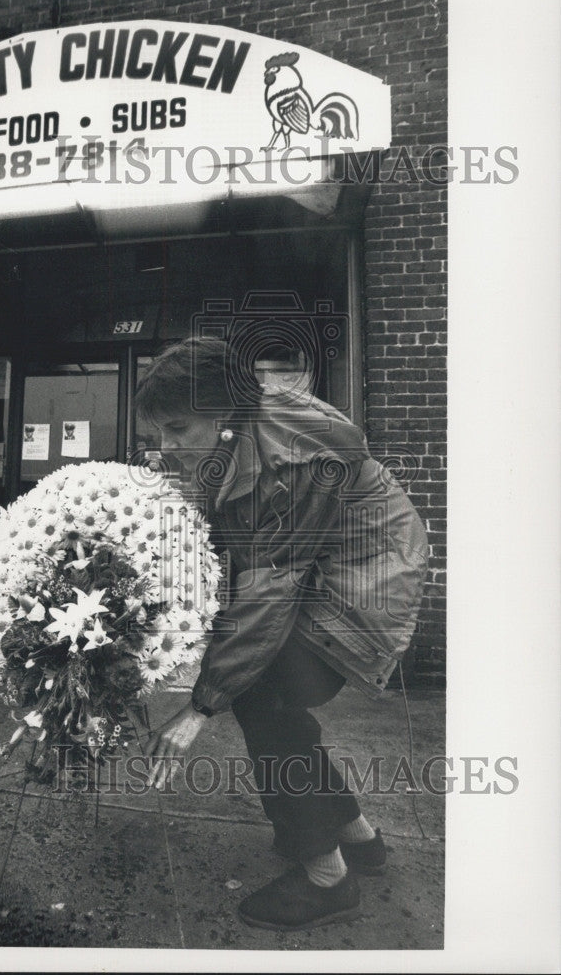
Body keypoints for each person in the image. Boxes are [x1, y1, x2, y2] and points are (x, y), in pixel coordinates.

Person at [136, 336, 429, 932]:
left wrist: (199, 706)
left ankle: (327, 878)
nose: (166, 445)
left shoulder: (296, 459)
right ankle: (356, 835)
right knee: (274, 700)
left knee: (264, 697)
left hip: (361, 590)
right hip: (327, 576)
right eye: (158, 433)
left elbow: (270, 589)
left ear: (220, 414)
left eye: (176, 428)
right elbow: (239, 534)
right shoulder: (241, 428)